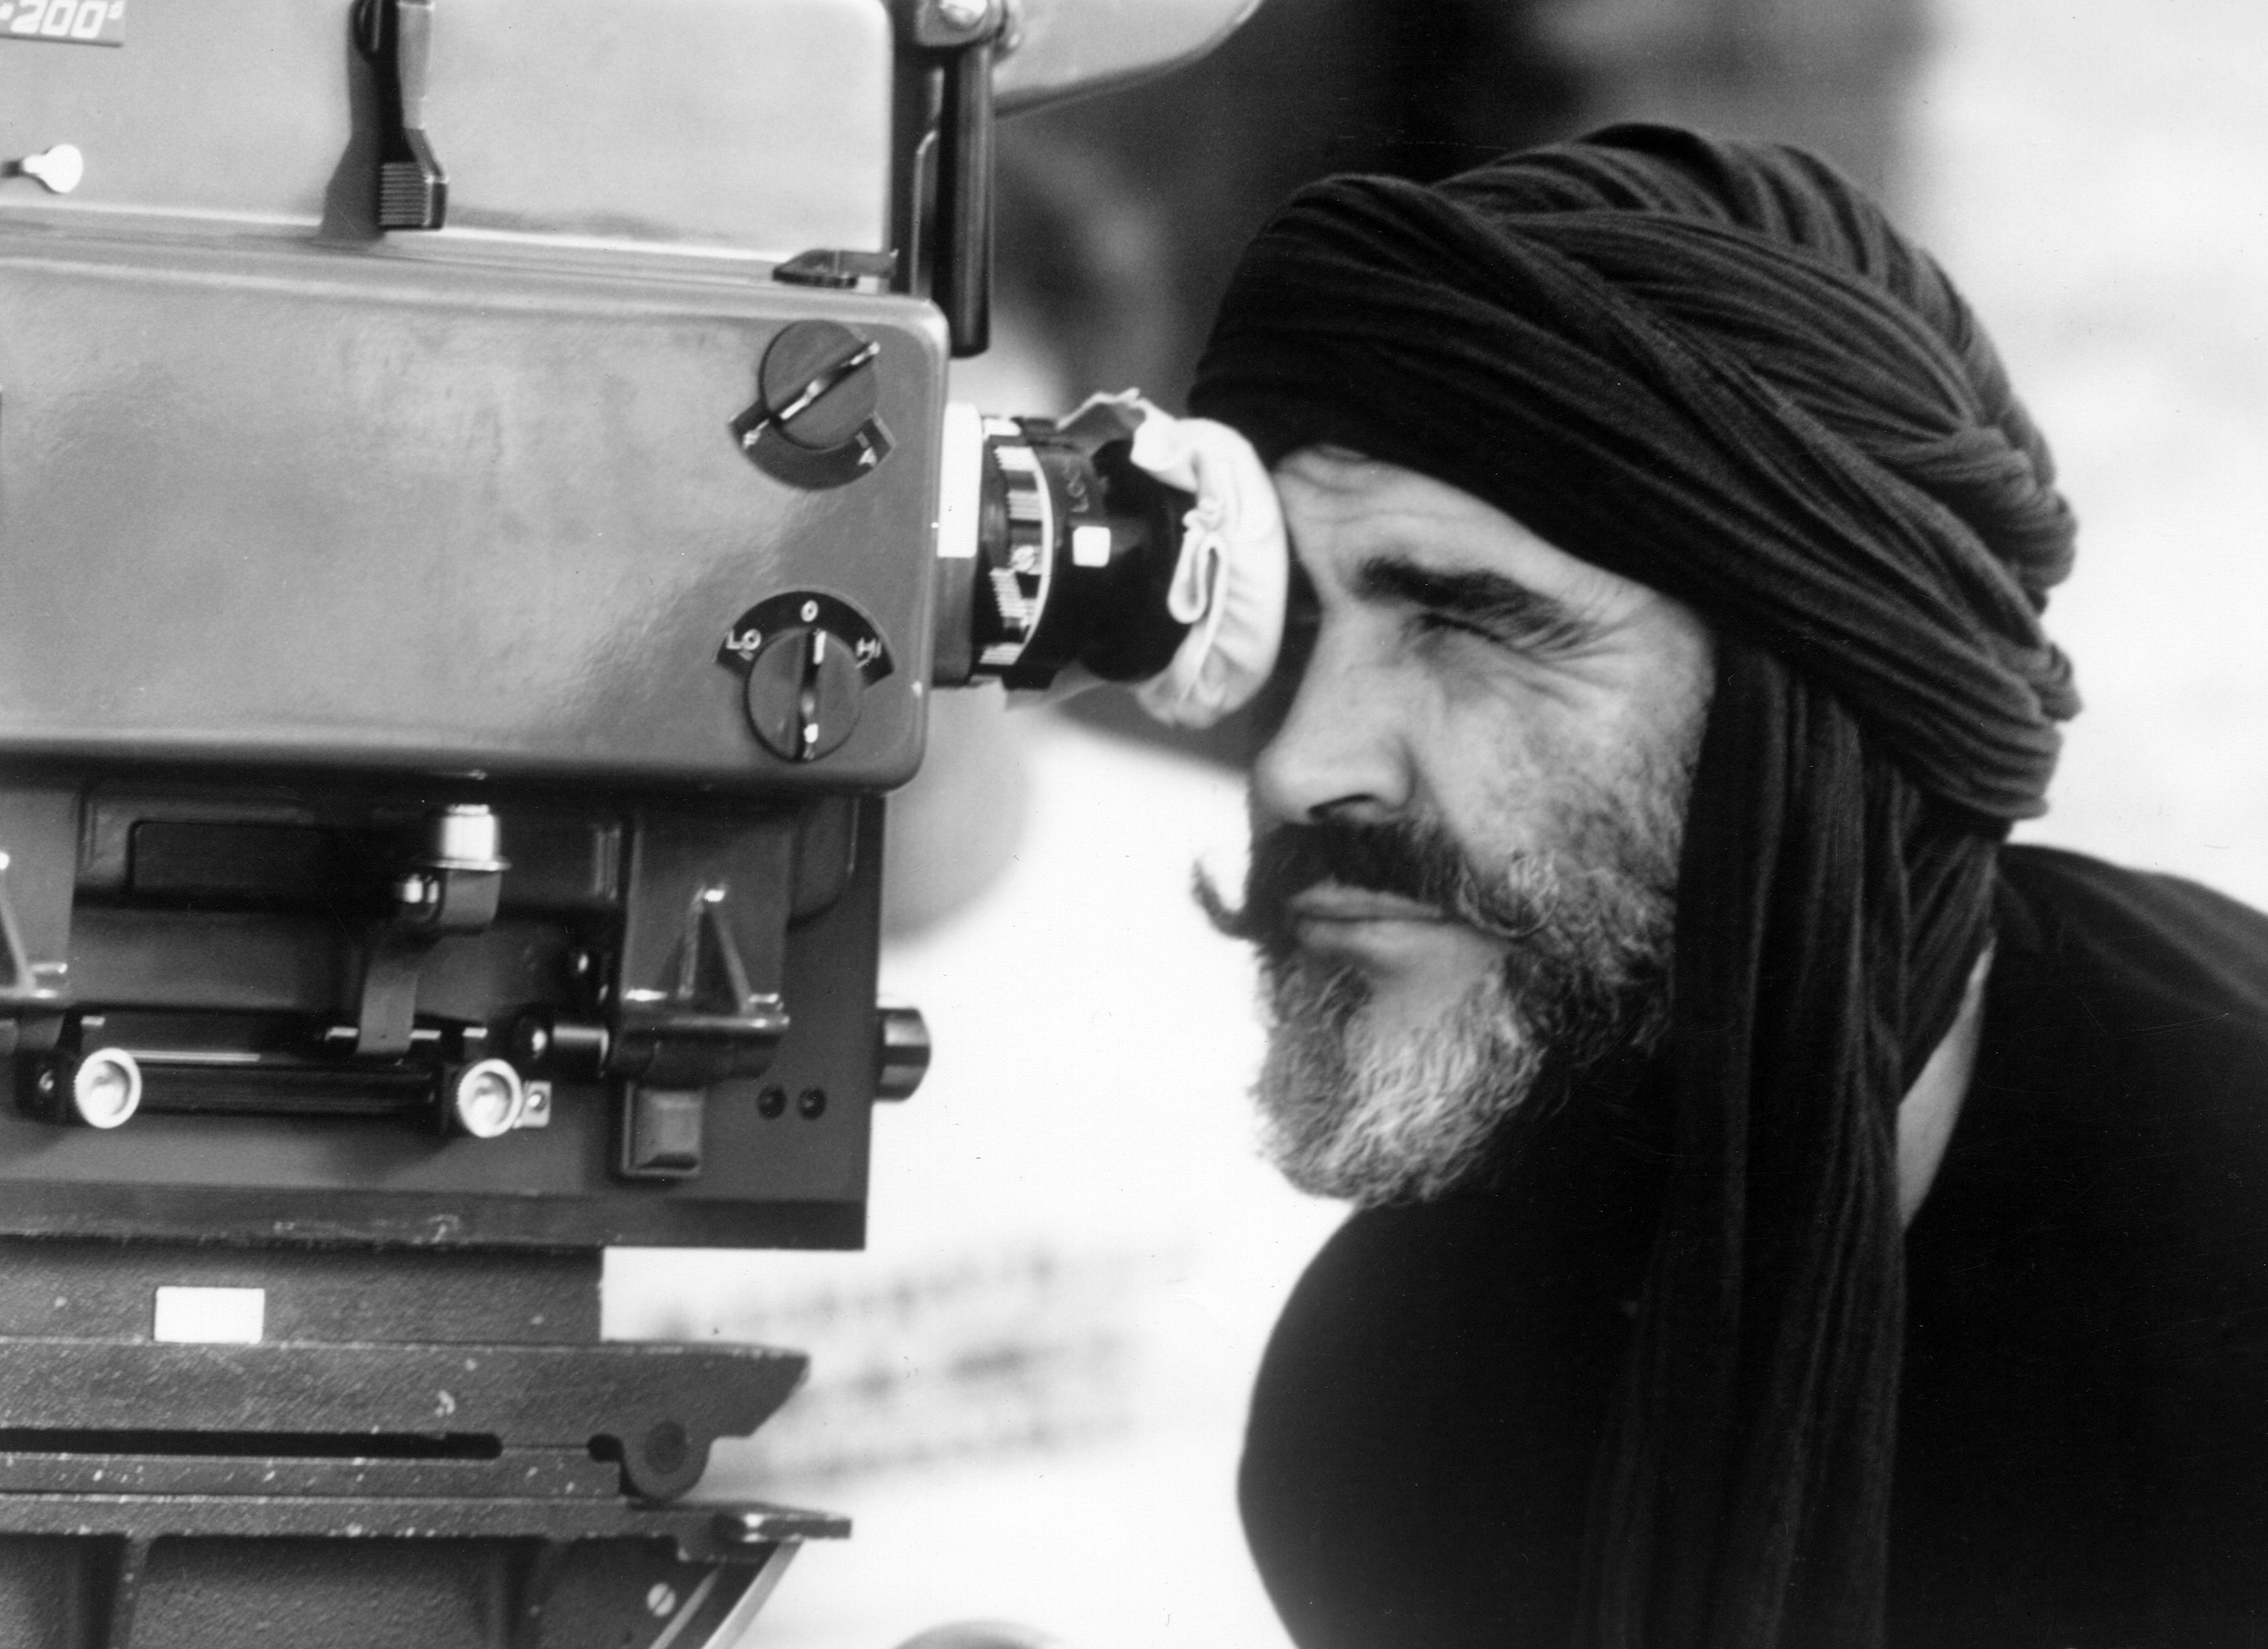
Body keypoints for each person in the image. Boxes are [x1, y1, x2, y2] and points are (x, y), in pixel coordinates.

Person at [1176, 124, 2268, 1648]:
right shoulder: (1397, 1396)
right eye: (1301, 627)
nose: (1304, 765)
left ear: (1806, 698)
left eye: (1467, 625)